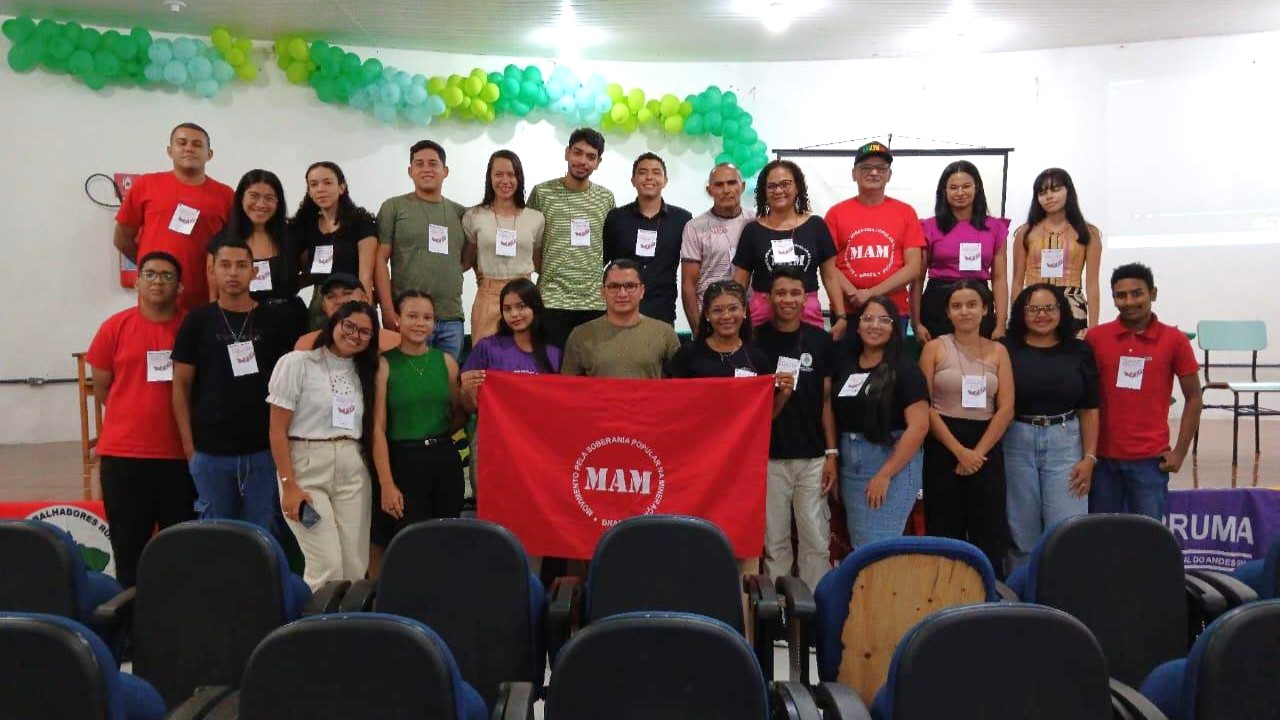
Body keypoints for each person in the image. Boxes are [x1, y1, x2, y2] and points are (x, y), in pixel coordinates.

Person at [86, 251, 195, 587]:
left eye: (166, 276)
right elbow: (103, 388)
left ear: (179, 286)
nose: (157, 281)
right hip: (124, 459)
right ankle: (131, 630)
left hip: (179, 458)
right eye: (150, 274)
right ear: (137, 280)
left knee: (181, 553)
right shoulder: (114, 328)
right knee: (129, 552)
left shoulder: (191, 327)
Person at [171, 237, 294, 534]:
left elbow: (288, 389)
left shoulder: (274, 320)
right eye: (224, 265)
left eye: (241, 265)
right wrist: (190, 450)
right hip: (211, 454)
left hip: (263, 453)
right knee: (216, 540)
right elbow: (180, 387)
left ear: (254, 272)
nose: (233, 273)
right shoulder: (197, 322)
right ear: (212, 271)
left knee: (264, 537)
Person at [268, 301, 380, 588]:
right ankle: (318, 632)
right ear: (335, 323)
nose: (355, 334)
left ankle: (349, 628)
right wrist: (288, 484)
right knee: (326, 564)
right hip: (305, 468)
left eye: (365, 332)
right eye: (350, 326)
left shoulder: (365, 372)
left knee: (355, 564)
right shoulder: (297, 363)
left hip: (352, 468)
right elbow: (277, 430)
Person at [1085, 263, 1201, 519]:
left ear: (1153, 293)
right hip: (1101, 461)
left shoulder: (1175, 340)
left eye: (1136, 293)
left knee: (1148, 541)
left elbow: (1194, 397)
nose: (1128, 301)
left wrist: (1180, 451)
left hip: (1150, 461)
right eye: (1120, 295)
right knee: (1098, 538)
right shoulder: (1096, 338)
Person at [918, 280, 1015, 577]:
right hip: (944, 445)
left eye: (972, 304)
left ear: (985, 309)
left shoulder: (999, 351)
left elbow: (1007, 407)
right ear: (948, 312)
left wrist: (976, 454)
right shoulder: (935, 348)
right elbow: (925, 405)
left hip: (986, 448)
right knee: (945, 530)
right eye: (957, 306)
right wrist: (960, 452)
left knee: (988, 532)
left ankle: (989, 601)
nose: (965, 312)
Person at [1003, 283, 1099, 570]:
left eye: (1048, 308)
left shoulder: (1079, 351)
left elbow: (1089, 408)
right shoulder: (1005, 349)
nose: (1041, 315)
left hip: (1065, 442)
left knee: (1067, 529)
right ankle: (1023, 604)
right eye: (1032, 309)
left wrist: (1090, 458)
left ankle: (1065, 603)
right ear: (1021, 313)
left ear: (1061, 311)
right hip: (1016, 440)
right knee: (1021, 532)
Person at [753, 268, 837, 589]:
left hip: (813, 456)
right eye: (781, 293)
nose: (788, 299)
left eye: (795, 293)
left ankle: (815, 614)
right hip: (769, 458)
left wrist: (831, 453)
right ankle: (778, 621)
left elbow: (827, 402)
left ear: (806, 298)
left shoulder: (820, 339)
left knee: (815, 540)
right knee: (775, 543)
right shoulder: (754, 339)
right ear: (768, 298)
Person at [832, 296, 930, 549]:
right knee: (861, 546)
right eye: (868, 319)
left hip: (890, 464)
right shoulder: (846, 366)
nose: (875, 325)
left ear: (895, 328)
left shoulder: (905, 369)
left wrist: (885, 474)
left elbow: (919, 428)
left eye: (884, 320)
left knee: (879, 547)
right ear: (858, 325)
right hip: (851, 464)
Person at [371, 291, 466, 548]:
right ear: (397, 319)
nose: (420, 323)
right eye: (412, 316)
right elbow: (377, 429)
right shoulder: (384, 365)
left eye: (427, 317)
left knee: (447, 541)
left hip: (444, 460)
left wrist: (435, 433)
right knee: (410, 543)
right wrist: (387, 483)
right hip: (403, 462)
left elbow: (459, 412)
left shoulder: (446, 362)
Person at [113, 122, 234, 312]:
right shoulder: (146, 185)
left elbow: (233, 247)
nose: (189, 149)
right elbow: (122, 238)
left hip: (206, 297)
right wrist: (153, 270)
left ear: (209, 154)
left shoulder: (226, 195)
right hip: (157, 297)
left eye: (197, 144)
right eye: (182, 142)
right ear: (170, 150)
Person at [731, 160, 847, 335]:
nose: (778, 190)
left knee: (809, 360)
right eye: (772, 186)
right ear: (764, 191)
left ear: (798, 186)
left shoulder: (816, 226)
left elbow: (830, 277)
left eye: (785, 184)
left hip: (806, 310)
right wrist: (736, 317)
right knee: (760, 362)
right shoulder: (752, 230)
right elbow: (739, 281)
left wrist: (840, 317)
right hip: (762, 313)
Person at [375, 140, 467, 357]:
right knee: (405, 385)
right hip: (407, 317)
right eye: (419, 164)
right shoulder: (394, 207)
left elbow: (464, 261)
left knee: (446, 384)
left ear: (445, 171)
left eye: (433, 163)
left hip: (451, 318)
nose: (426, 169)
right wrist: (387, 310)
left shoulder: (460, 213)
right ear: (410, 171)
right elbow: (380, 260)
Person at [528, 128, 617, 349]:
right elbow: (531, 242)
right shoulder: (542, 193)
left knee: (590, 374)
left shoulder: (606, 198)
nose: (583, 161)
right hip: (551, 300)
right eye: (578, 153)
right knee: (553, 375)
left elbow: (608, 244)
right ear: (567, 153)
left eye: (591, 156)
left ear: (598, 162)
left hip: (593, 302)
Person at [823, 141, 926, 325]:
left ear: (889, 175)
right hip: (847, 312)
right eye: (866, 168)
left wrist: (870, 293)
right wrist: (853, 293)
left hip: (892, 312)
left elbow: (913, 267)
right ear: (854, 174)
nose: (874, 173)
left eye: (881, 168)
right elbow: (828, 265)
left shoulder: (906, 212)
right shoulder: (835, 213)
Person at [913, 161, 1010, 341]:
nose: (960, 192)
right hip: (937, 304)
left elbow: (1000, 278)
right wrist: (916, 322)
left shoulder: (995, 227)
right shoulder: (929, 226)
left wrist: (1000, 323)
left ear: (977, 188)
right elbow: (917, 279)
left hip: (978, 303)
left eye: (966, 186)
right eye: (953, 187)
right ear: (944, 191)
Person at [211, 169, 305, 341]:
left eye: (269, 198)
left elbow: (310, 271)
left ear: (278, 202)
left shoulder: (292, 236)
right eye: (254, 196)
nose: (261, 204)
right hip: (242, 325)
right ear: (241, 198)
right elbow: (214, 294)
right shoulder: (222, 241)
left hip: (289, 323)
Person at [462, 150, 545, 344]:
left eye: (511, 174)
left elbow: (538, 262)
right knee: (485, 360)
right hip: (489, 296)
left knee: (526, 360)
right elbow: (468, 259)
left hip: (525, 296)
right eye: (498, 174)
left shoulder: (535, 218)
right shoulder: (474, 216)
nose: (505, 180)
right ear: (489, 177)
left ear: (519, 178)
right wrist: (482, 277)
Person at [1011, 168, 1102, 338]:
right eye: (1042, 192)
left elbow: (1092, 283)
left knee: (1071, 359)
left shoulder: (1089, 233)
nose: (1049, 196)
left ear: (1069, 191)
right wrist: (1015, 319)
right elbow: (1017, 282)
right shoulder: (1025, 232)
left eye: (1055, 189)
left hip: (1073, 305)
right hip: (1033, 305)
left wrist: (1094, 327)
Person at [603, 152, 692, 325]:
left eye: (656, 172)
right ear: (633, 180)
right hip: (621, 307)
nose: (649, 177)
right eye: (642, 172)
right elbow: (605, 261)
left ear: (665, 181)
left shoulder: (682, 219)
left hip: (662, 309)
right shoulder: (616, 217)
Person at [292, 161, 379, 330]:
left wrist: (365, 312)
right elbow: (304, 271)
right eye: (314, 184)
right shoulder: (306, 227)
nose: (320, 189)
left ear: (341, 187)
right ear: (309, 192)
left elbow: (366, 276)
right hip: (320, 304)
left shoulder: (361, 222)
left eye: (327, 182)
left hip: (354, 299)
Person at [561, 259, 680, 379]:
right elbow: (568, 390)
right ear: (603, 292)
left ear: (642, 291)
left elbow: (679, 389)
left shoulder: (665, 333)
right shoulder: (581, 336)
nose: (622, 294)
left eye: (630, 286)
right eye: (614, 286)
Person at [461, 278, 563, 411]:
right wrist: (466, 391)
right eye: (507, 309)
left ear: (535, 307)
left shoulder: (554, 354)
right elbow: (471, 408)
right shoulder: (487, 348)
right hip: (496, 429)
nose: (514, 314)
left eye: (521, 306)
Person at [681, 163, 756, 330]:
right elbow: (688, 284)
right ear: (709, 190)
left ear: (742, 186)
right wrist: (697, 328)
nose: (726, 190)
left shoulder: (756, 222)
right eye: (719, 185)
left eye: (732, 183)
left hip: (750, 318)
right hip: (710, 318)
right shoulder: (695, 227)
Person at [295, 273, 400, 353]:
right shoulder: (307, 344)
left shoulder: (393, 342)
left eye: (347, 293)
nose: (340, 301)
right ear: (324, 306)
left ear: (365, 299)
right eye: (331, 296)